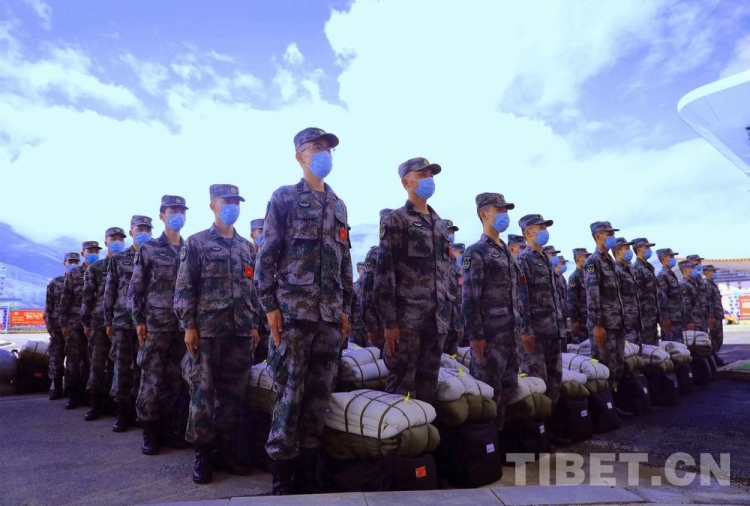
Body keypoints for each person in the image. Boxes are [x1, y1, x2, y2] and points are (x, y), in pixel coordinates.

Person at [256, 127, 352, 495]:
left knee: (319, 395)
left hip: (329, 315)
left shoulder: (339, 204)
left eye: (327, 148)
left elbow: (345, 261)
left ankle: (310, 469)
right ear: (300, 156)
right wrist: (269, 306)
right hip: (293, 314)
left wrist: (346, 309)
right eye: (316, 147)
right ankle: (283, 470)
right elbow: (267, 254)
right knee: (289, 393)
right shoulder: (284, 198)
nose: (323, 153)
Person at [174, 184, 261, 484]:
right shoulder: (196, 243)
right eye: (227, 201)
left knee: (233, 396)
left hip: (239, 332)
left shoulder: (246, 247)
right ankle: (203, 454)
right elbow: (185, 287)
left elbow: (253, 290)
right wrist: (189, 326)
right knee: (202, 395)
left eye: (236, 202)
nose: (232, 206)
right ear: (213, 205)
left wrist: (253, 324)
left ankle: (225, 451)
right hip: (207, 332)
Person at [374, 156, 452, 408]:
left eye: (430, 175)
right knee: (402, 387)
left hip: (436, 320)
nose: (428, 179)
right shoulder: (396, 220)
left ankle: (427, 431)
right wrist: (389, 322)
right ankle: (399, 434)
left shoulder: (440, 225)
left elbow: (445, 274)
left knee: (429, 386)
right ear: (406, 182)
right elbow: (384, 273)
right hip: (407, 321)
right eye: (422, 175)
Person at [462, 192, 533, 429]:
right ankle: (484, 443)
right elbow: (469, 298)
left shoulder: (506, 252)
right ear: (484, 214)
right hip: (490, 337)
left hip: (510, 335)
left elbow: (517, 295)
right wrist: (475, 335)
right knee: (488, 393)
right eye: (499, 210)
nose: (504, 215)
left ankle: (500, 439)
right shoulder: (476, 251)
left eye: (505, 210)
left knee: (508, 390)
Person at [129, 196, 189, 456]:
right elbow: (136, 288)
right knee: (151, 379)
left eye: (181, 211)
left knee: (176, 381)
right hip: (156, 326)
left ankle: (168, 428)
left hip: (182, 327)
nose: (177, 215)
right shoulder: (150, 249)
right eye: (172, 210)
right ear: (162, 215)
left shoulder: (190, 248)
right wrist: (139, 321)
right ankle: (149, 430)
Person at [105, 215, 153, 432]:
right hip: (123, 322)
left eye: (147, 229)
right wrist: (109, 320)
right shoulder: (119, 259)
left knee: (144, 369)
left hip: (149, 321)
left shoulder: (155, 255)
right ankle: (122, 413)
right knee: (122, 368)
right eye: (139, 229)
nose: (143, 232)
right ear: (131, 232)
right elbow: (110, 291)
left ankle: (140, 412)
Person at [515, 214, 566, 408]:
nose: (545, 231)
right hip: (535, 333)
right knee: (537, 380)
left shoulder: (545, 258)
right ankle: (538, 423)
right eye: (541, 228)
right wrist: (526, 330)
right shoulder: (523, 259)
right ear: (528, 233)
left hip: (553, 330)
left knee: (555, 379)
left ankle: (552, 421)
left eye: (545, 228)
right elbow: (521, 298)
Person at [81, 227, 126, 421]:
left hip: (122, 321)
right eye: (113, 238)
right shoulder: (96, 268)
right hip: (99, 322)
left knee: (119, 365)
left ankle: (114, 403)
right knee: (97, 363)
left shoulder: (128, 263)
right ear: (106, 242)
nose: (117, 242)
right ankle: (96, 404)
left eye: (120, 239)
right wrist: (86, 322)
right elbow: (87, 297)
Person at [584, 222, 628, 409]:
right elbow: (592, 295)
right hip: (604, 325)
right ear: (598, 236)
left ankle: (615, 406)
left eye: (612, 233)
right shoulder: (593, 262)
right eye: (607, 233)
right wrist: (597, 325)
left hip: (617, 323)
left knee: (617, 365)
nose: (611, 237)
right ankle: (604, 410)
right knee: (604, 367)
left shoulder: (611, 262)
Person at [59, 241, 102, 409]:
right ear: (83, 253)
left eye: (96, 251)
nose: (93, 253)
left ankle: (89, 394)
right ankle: (73, 395)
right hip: (75, 323)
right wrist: (63, 323)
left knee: (91, 360)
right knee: (73, 360)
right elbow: (65, 299)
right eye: (90, 251)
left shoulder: (102, 270)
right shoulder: (74, 274)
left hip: (95, 322)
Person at [44, 252, 80, 400]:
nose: (73, 264)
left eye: (76, 262)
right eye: (70, 261)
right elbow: (48, 305)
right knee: (56, 357)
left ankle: (71, 389)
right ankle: (57, 387)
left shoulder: (81, 281)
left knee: (74, 359)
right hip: (57, 326)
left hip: (74, 325)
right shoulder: (55, 282)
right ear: (64, 263)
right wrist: (49, 325)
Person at [361, 209, 392, 348]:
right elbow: (367, 293)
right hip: (380, 327)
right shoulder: (375, 254)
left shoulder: (406, 254)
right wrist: (371, 327)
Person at [612, 238, 643, 358]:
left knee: (638, 356)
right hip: (625, 322)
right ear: (617, 252)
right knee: (629, 356)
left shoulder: (630, 269)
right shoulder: (615, 270)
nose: (629, 251)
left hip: (636, 320)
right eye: (626, 249)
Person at [631, 238, 660, 345]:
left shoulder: (649, 267)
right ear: (639, 249)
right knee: (647, 347)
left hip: (653, 315)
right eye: (646, 247)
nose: (649, 250)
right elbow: (636, 295)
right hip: (644, 317)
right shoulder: (636, 268)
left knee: (654, 346)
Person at [656, 248, 686, 343]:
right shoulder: (662, 275)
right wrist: (665, 318)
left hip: (677, 317)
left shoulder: (671, 274)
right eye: (670, 256)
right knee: (671, 346)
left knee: (679, 345)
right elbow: (662, 298)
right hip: (670, 318)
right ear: (663, 258)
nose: (673, 259)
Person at [444, 220, 464, 356]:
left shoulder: (455, 265)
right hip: (438, 326)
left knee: (452, 361)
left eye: (452, 232)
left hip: (454, 325)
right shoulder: (431, 260)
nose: (451, 235)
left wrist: (460, 323)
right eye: (448, 232)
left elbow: (460, 296)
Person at [703, 265, 727, 366]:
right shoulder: (707, 284)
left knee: (718, 338)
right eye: (712, 271)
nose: (714, 273)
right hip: (713, 317)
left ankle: (715, 356)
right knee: (713, 338)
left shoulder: (712, 284)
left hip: (717, 315)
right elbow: (708, 301)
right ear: (706, 272)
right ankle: (713, 358)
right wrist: (711, 316)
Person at [567, 248, 591, 344]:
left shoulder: (589, 275)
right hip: (581, 320)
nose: (588, 259)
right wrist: (574, 320)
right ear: (577, 259)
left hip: (590, 318)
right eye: (585, 257)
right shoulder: (574, 277)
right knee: (582, 346)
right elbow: (571, 300)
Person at [679, 261, 704, 332]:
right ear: (685, 270)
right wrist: (689, 321)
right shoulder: (683, 284)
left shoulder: (693, 284)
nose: (694, 269)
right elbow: (686, 304)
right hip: (692, 321)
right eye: (692, 268)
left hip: (698, 320)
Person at [350, 262, 366, 347]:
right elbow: (348, 307)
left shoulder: (372, 287)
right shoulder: (353, 287)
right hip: (356, 328)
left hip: (370, 328)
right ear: (358, 271)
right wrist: (349, 324)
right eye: (362, 269)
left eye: (365, 269)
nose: (364, 271)